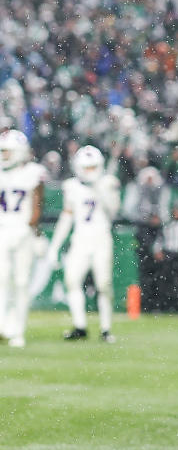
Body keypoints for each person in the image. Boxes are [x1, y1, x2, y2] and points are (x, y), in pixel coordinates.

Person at [47, 145, 121, 343]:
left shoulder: (108, 183)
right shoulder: (71, 186)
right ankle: (80, 326)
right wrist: (54, 246)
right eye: (86, 167)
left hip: (101, 238)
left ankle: (106, 329)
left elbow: (114, 211)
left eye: (93, 167)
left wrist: (99, 188)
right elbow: (67, 217)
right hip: (80, 239)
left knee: (103, 284)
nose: (89, 171)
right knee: (72, 281)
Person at [0, 130, 46, 348]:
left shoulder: (33, 172)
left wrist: (33, 232)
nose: (5, 155)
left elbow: (37, 206)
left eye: (8, 151)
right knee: (2, 280)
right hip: (2, 230)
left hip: (22, 231)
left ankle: (18, 330)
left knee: (21, 282)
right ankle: (2, 325)